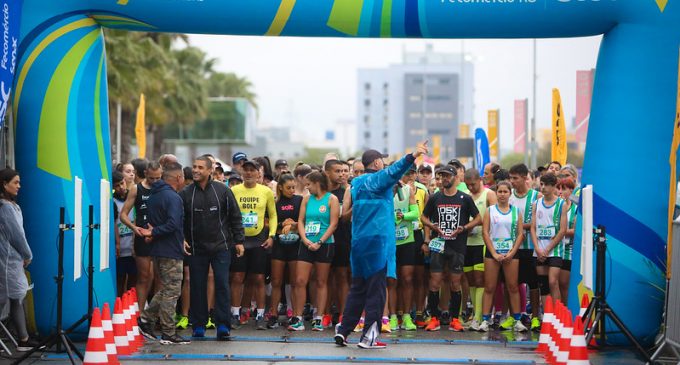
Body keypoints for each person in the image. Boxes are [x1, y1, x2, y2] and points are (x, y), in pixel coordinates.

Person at [334, 141, 428, 350]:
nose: (384, 164)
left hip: (358, 241)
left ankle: (343, 331)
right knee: (376, 290)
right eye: (382, 161)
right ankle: (369, 337)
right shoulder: (378, 179)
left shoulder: (356, 183)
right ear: (376, 162)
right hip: (376, 242)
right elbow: (394, 172)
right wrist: (413, 155)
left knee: (358, 288)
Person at [180, 156, 245, 340]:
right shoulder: (186, 193)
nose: (196, 170)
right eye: (194, 167)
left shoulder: (223, 191)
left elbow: (235, 216)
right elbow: (179, 220)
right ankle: (198, 325)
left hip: (221, 246)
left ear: (210, 171)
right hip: (196, 248)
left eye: (200, 167)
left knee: (222, 285)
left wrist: (239, 241)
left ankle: (223, 325)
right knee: (197, 285)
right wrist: (182, 238)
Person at [421, 165, 482, 332]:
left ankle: (455, 319)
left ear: (455, 177)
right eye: (442, 176)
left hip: (457, 246)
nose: (444, 179)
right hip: (438, 245)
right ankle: (434, 318)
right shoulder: (435, 197)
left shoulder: (465, 198)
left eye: (447, 176)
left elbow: (478, 218)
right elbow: (423, 217)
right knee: (435, 282)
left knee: (456, 283)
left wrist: (464, 228)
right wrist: (433, 227)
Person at [136, 162, 191, 345]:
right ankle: (168, 331)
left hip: (160, 249)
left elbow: (156, 223)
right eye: (182, 177)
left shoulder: (154, 195)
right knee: (172, 291)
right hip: (170, 250)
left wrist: (154, 232)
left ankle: (145, 320)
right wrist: (154, 232)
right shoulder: (173, 197)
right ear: (178, 178)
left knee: (167, 289)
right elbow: (173, 224)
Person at [230, 159, 278, 330]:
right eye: (246, 170)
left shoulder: (265, 191)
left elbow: (273, 215)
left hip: (259, 239)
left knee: (258, 278)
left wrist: (272, 235)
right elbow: (229, 215)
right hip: (240, 240)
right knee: (237, 277)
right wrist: (234, 239)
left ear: (259, 174)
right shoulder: (234, 190)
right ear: (242, 173)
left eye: (252, 170)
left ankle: (259, 315)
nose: (249, 173)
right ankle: (235, 314)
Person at [290, 171, 339, 331]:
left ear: (317, 183)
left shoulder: (332, 199)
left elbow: (333, 224)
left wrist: (319, 241)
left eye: (309, 184)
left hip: (324, 244)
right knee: (300, 281)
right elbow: (301, 221)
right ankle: (297, 318)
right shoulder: (306, 199)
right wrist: (305, 240)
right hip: (306, 243)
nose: (307, 187)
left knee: (321, 281)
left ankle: (319, 317)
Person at [0, 168, 40, 351]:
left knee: (16, 298)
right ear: (4, 184)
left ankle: (23, 339)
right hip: (8, 262)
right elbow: (16, 236)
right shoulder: (6, 208)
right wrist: (27, 254)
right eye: (15, 182)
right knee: (7, 298)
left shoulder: (11, 206)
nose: (19, 186)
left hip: (12, 261)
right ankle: (23, 339)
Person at [479, 181, 527, 332]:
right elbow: (485, 232)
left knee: (512, 286)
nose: (502, 194)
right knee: (490, 287)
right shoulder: (490, 210)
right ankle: (485, 320)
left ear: (510, 193)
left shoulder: (516, 211)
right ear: (496, 192)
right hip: (493, 253)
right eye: (499, 191)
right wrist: (494, 253)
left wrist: (512, 253)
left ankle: (517, 320)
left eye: (505, 192)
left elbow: (520, 234)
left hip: (511, 253)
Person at [120, 161, 163, 311]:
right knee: (144, 277)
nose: (155, 181)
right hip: (142, 237)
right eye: (152, 178)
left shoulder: (164, 188)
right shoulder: (136, 189)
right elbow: (123, 215)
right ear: (145, 174)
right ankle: (140, 314)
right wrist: (134, 227)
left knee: (159, 278)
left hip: (160, 237)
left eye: (158, 178)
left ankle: (155, 314)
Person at [508, 163, 542, 331]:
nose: (512, 181)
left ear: (524, 177)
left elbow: (538, 222)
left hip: (531, 247)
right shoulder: (509, 197)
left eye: (515, 178)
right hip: (512, 248)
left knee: (533, 284)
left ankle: (536, 317)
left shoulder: (537, 196)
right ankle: (514, 316)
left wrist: (521, 226)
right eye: (510, 178)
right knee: (512, 283)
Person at [463, 168, 497, 331]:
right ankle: (474, 315)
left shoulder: (489, 194)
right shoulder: (468, 197)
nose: (470, 188)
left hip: (483, 243)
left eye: (473, 185)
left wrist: (478, 224)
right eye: (467, 185)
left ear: (480, 180)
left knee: (480, 279)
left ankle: (479, 316)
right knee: (470, 279)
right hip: (468, 242)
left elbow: (497, 217)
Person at [268, 174, 303, 328]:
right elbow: (267, 221)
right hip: (279, 244)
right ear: (280, 187)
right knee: (276, 281)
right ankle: (273, 314)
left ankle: (295, 315)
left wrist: (294, 224)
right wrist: (282, 225)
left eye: (294, 187)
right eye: (288, 188)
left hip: (295, 245)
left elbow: (304, 220)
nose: (292, 190)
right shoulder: (275, 202)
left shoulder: (299, 200)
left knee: (295, 282)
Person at [530, 173, 567, 307]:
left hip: (554, 250)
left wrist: (547, 249)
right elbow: (533, 228)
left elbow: (563, 230)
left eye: (546, 185)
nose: (543, 187)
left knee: (553, 282)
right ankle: (547, 316)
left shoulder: (561, 204)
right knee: (544, 285)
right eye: (541, 184)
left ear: (554, 186)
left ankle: (557, 316)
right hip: (539, 249)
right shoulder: (536, 203)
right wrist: (538, 249)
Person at [113, 171, 137, 296]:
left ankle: (131, 308)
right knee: (120, 279)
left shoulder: (133, 198)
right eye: (117, 185)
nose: (121, 187)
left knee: (133, 280)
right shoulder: (112, 202)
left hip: (133, 249)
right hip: (120, 250)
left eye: (122, 183)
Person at [556, 177, 578, 304]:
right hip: (554, 249)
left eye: (563, 189)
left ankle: (565, 312)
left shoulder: (575, 209)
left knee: (564, 284)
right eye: (558, 188)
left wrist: (560, 232)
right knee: (554, 284)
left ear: (571, 190)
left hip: (568, 252)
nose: (560, 191)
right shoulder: (555, 206)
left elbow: (575, 231)